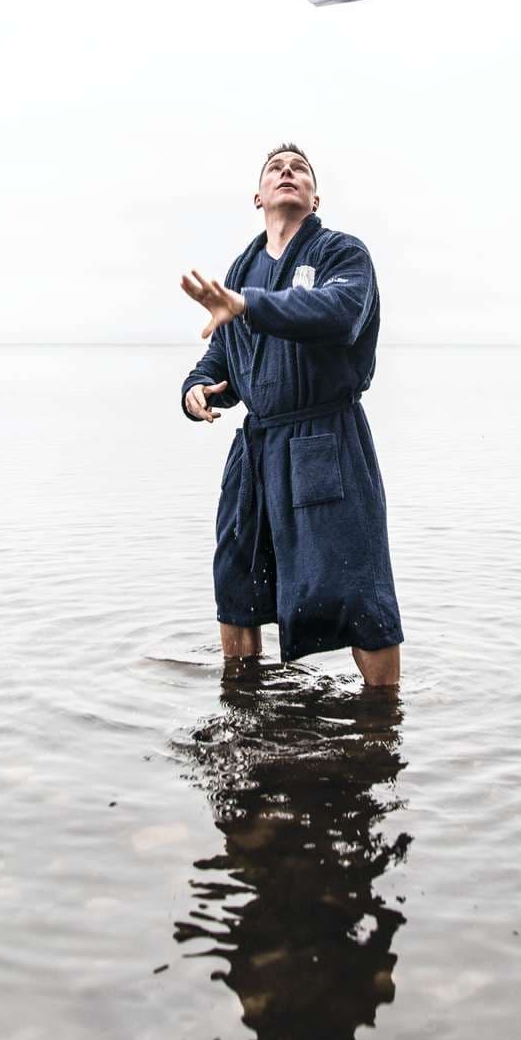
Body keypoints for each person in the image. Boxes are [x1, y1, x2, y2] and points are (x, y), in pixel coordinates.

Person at [179, 143, 403, 687]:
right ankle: (243, 701)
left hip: (326, 440)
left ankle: (382, 719)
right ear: (257, 197)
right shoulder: (242, 270)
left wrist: (249, 304)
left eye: (299, 168)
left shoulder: (341, 254)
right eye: (275, 169)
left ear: (314, 197)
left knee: (359, 592)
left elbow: (338, 313)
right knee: (237, 583)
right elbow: (222, 353)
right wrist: (197, 390)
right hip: (257, 450)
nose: (287, 172)